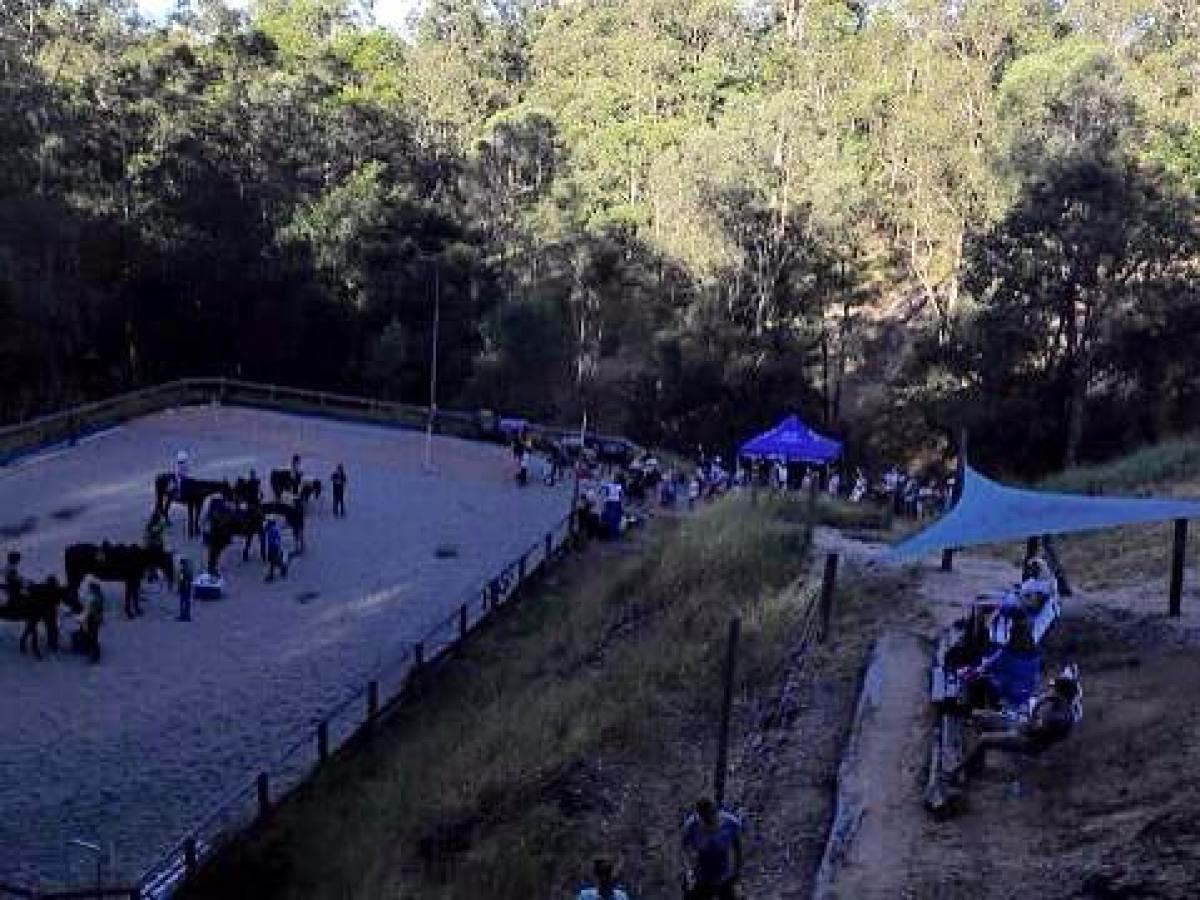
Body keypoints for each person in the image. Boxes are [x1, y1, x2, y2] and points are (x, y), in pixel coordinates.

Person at [954, 668, 1081, 779]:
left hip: (1030, 741)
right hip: (1024, 727)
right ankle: (976, 762)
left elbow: (1038, 728)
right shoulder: (1054, 703)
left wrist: (1028, 718)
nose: (1050, 689)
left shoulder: (1059, 714)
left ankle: (961, 771)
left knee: (985, 740)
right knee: (981, 716)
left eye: (1054, 688)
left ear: (1060, 691)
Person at [964, 613, 1042, 711]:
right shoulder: (1009, 695)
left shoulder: (1026, 694)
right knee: (981, 655)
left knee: (1020, 635)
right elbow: (999, 677)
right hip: (1014, 657)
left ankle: (1019, 619)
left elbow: (1035, 676)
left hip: (1032, 657)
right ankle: (980, 623)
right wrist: (984, 672)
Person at [683, 799, 743, 900]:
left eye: (712, 816)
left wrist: (737, 872)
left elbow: (738, 848)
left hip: (725, 875)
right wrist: (689, 870)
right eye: (705, 819)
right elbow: (684, 848)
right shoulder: (691, 827)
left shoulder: (730, 824)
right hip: (701, 876)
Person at [264, 517, 288, 582]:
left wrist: (275, 545)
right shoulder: (272, 529)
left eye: (268, 525)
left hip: (273, 547)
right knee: (272, 561)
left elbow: (277, 538)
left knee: (274, 560)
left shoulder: (273, 530)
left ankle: (281, 569)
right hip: (271, 547)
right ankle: (281, 568)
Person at [177, 557, 194, 622]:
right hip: (187, 589)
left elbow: (182, 580)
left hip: (184, 589)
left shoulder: (183, 571)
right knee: (186, 602)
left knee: (184, 602)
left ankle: (184, 616)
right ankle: (186, 616)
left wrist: (180, 588)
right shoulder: (189, 570)